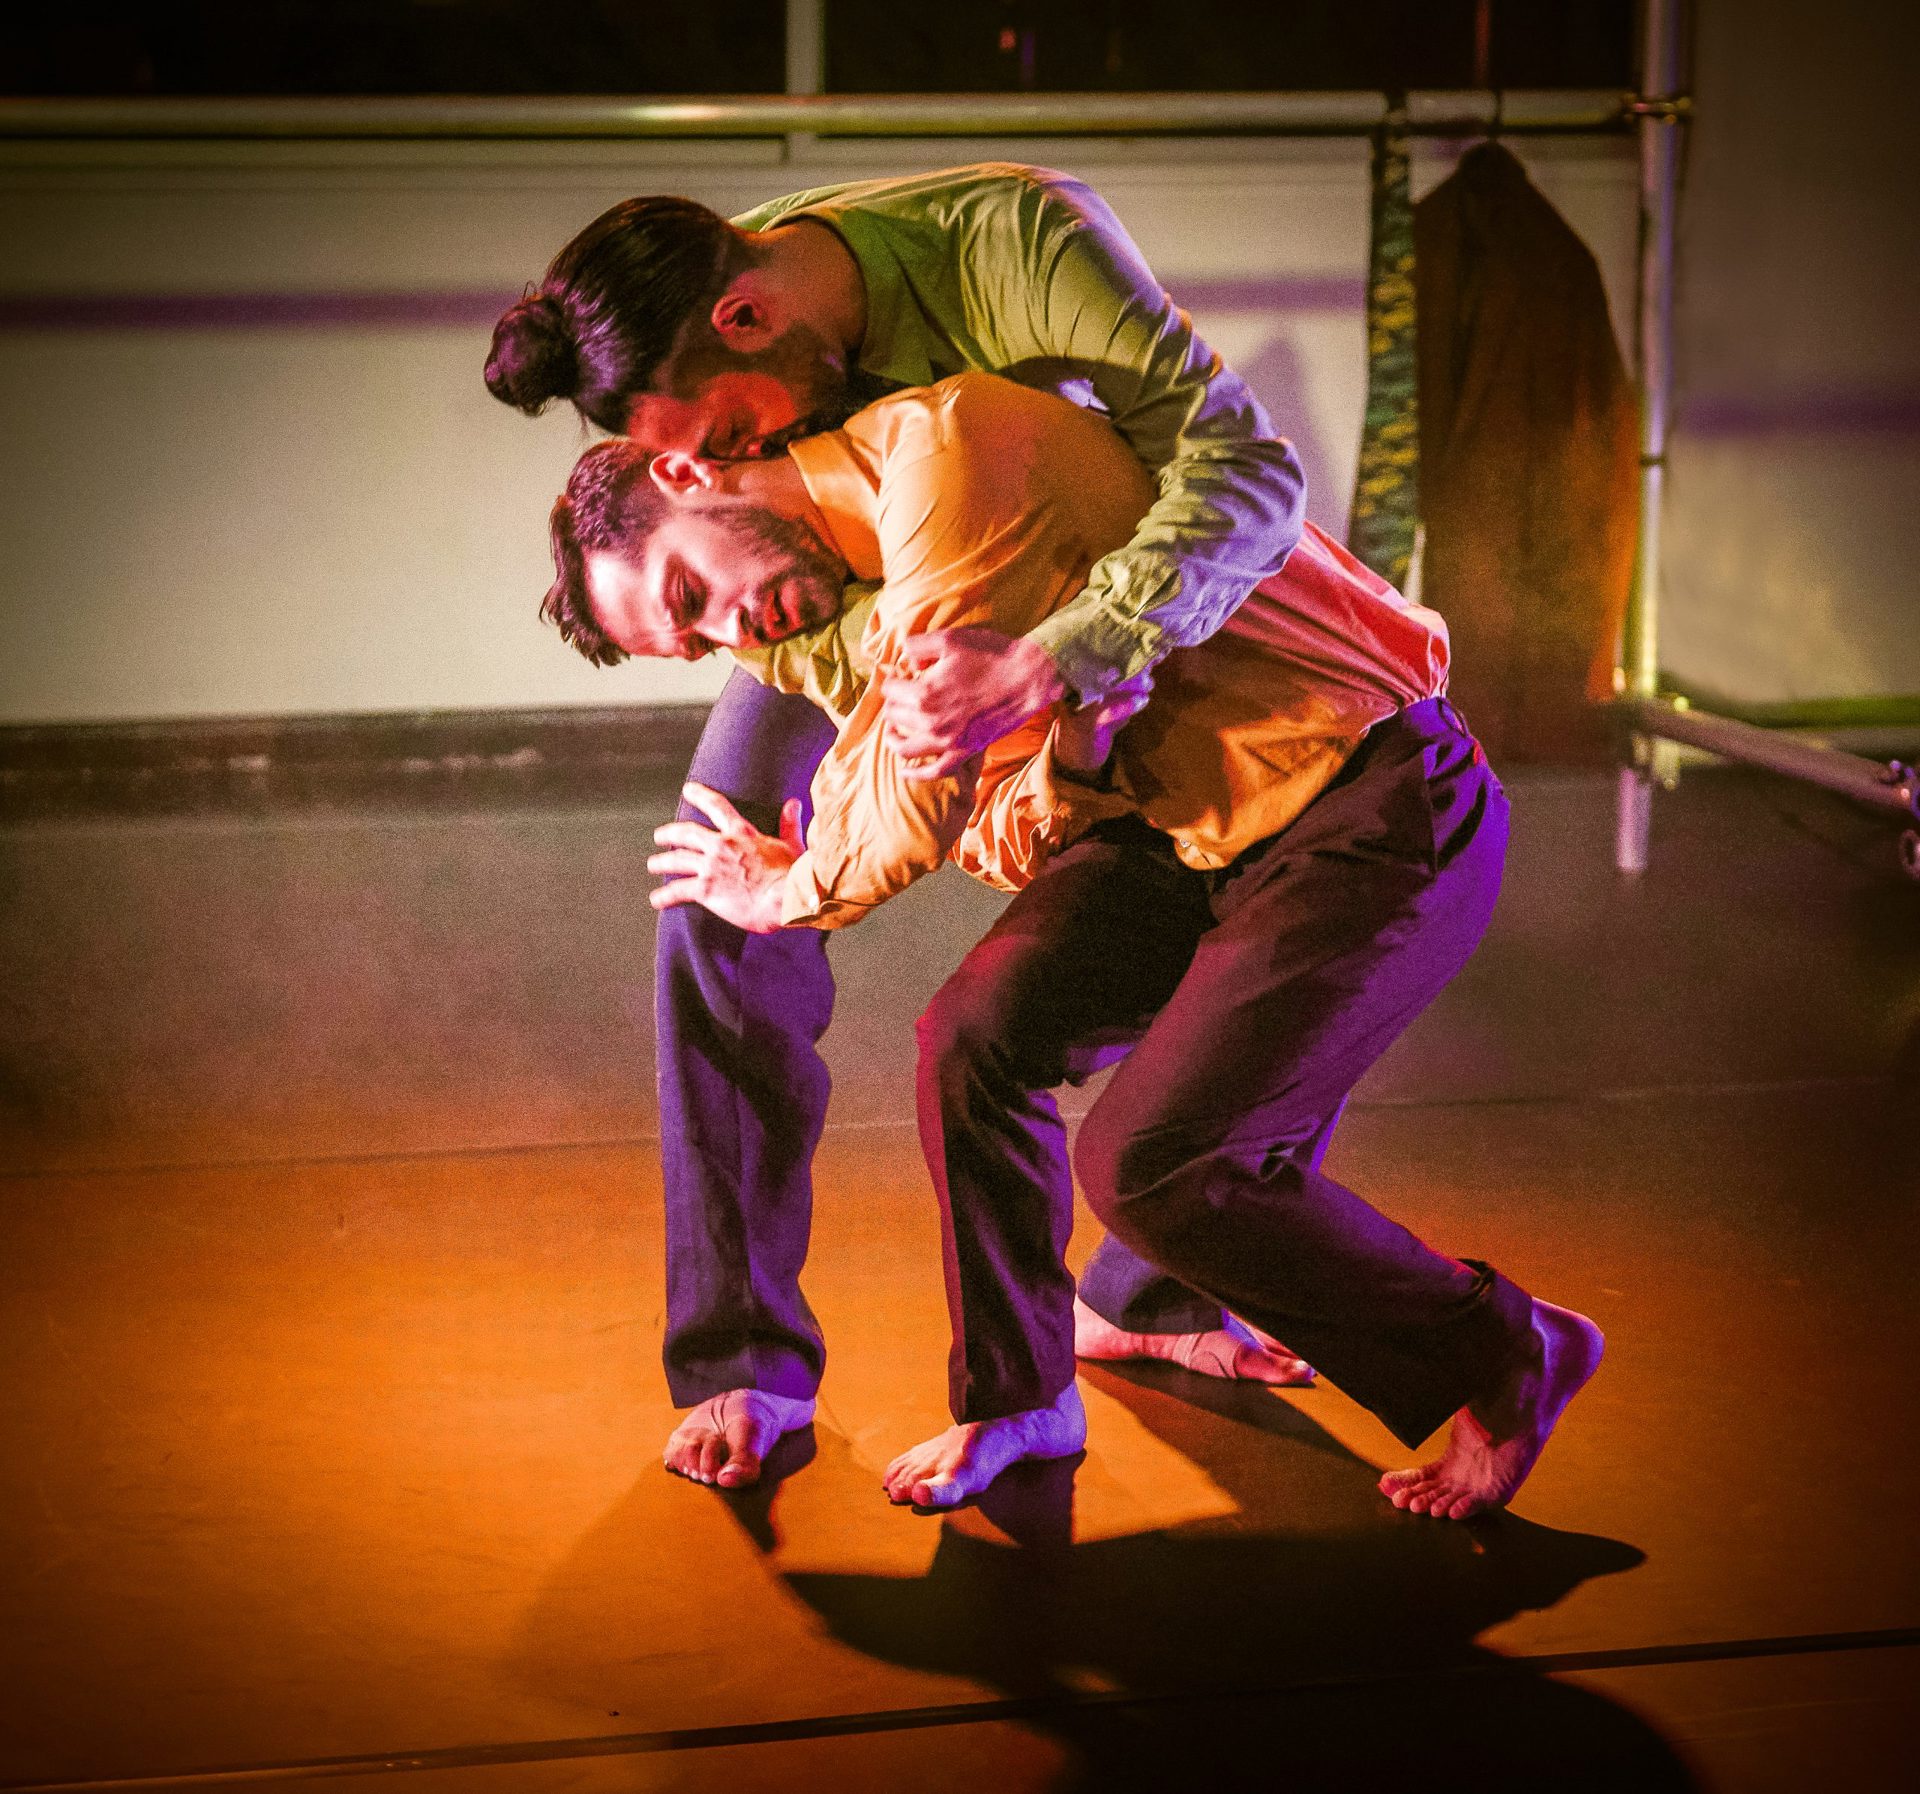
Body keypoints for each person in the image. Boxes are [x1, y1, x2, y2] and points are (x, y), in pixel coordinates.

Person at [539, 371, 1605, 1520]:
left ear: (687, 471)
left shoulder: (938, 463)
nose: (727, 636)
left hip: (1373, 798)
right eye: (690, 640)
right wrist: (1078, 754)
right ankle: (1019, 1395)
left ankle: (1508, 1348)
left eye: (692, 592)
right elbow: (992, 828)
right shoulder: (831, 623)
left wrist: (795, 885)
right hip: (1182, 834)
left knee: (1151, 1168)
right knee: (971, 1033)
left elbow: (914, 813)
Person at [488, 164, 1318, 1487]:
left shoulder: (1018, 247)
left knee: (1311, 824)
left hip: (1031, 576)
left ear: (755, 320)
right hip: (832, 598)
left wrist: (1073, 657)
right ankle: (743, 1357)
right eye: (684, 462)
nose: (714, 466)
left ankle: (1150, 1294)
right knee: (714, 891)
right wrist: (810, 852)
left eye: (723, 437)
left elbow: (1246, 467)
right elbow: (861, 734)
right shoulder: (725, 446)